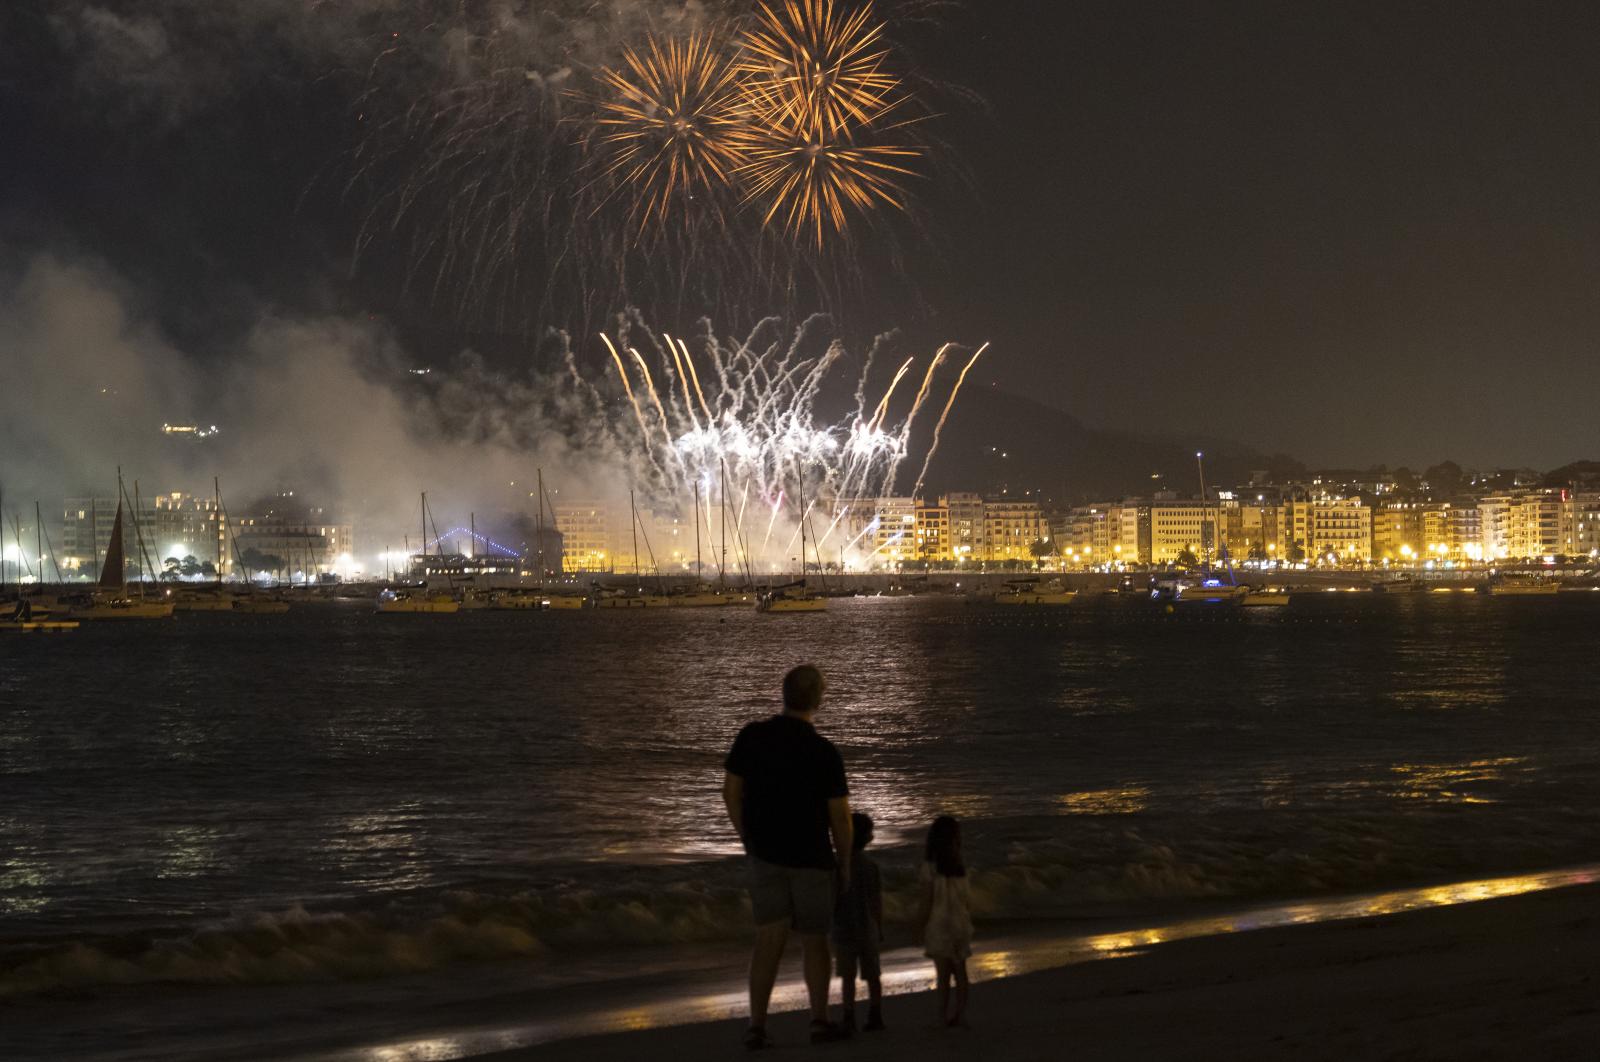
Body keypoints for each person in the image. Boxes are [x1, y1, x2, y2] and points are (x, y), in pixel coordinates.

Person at [723, 665, 854, 1050]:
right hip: (812, 858)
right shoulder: (824, 752)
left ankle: (757, 1026)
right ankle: (818, 1020)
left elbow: (730, 791)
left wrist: (746, 836)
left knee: (768, 941)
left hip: (765, 854)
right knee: (815, 941)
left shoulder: (752, 737)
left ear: (783, 694)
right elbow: (841, 817)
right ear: (818, 700)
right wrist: (844, 862)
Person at [918, 814, 973, 1027]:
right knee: (960, 973)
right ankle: (960, 1014)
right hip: (960, 925)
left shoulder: (929, 869)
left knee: (942, 976)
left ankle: (941, 1016)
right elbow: (966, 900)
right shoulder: (961, 868)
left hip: (938, 925)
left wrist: (917, 925)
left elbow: (926, 902)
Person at [833, 811, 885, 1033]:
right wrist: (880, 926)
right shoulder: (870, 866)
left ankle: (849, 1016)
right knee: (873, 975)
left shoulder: (836, 866)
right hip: (867, 928)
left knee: (847, 977)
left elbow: (832, 899)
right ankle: (875, 1014)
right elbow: (876, 901)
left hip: (843, 928)